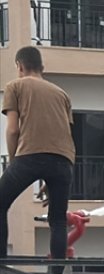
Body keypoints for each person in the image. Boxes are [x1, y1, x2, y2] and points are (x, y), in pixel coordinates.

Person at [1, 46, 75, 260]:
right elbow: (63, 134)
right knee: (58, 220)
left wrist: (15, 163)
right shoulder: (62, 94)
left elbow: (13, 129)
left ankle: (1, 264)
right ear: (41, 67)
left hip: (30, 156)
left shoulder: (15, 86)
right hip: (64, 161)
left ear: (19, 66)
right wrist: (49, 174)